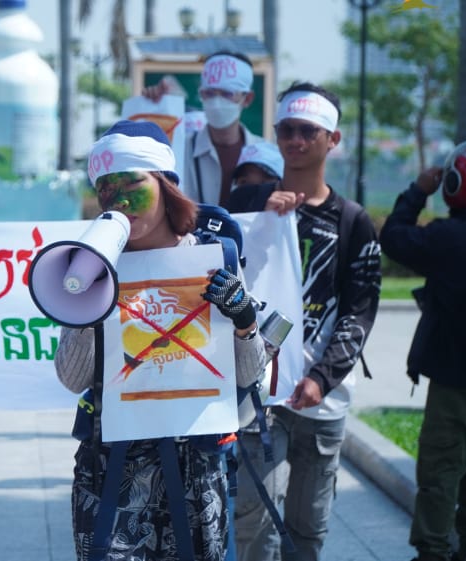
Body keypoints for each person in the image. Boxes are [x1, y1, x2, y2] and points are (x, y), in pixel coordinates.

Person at [55, 120, 266, 560]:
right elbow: (72, 378)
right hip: (110, 468)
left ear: (167, 185)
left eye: (133, 184)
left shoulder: (213, 257)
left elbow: (249, 374)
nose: (120, 201)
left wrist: (244, 321)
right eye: (107, 191)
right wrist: (83, 301)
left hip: (196, 469)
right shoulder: (93, 264)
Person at [226, 82, 381, 561]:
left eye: (308, 131)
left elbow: (360, 311)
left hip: (322, 399)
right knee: (254, 522)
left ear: (331, 140)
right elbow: (217, 277)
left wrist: (322, 378)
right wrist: (260, 222)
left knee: (308, 530)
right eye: (287, 129)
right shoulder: (246, 202)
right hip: (259, 394)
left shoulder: (353, 221)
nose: (296, 140)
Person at [380, 142, 466, 561]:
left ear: (453, 184)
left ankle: (432, 549)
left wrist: (417, 191)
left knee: (441, 467)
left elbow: (393, 237)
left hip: (456, 376)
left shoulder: (448, 237)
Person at [143, 50, 262, 207]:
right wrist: (149, 110)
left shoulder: (264, 155)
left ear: (247, 98)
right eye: (209, 93)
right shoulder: (176, 150)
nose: (216, 102)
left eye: (227, 94)